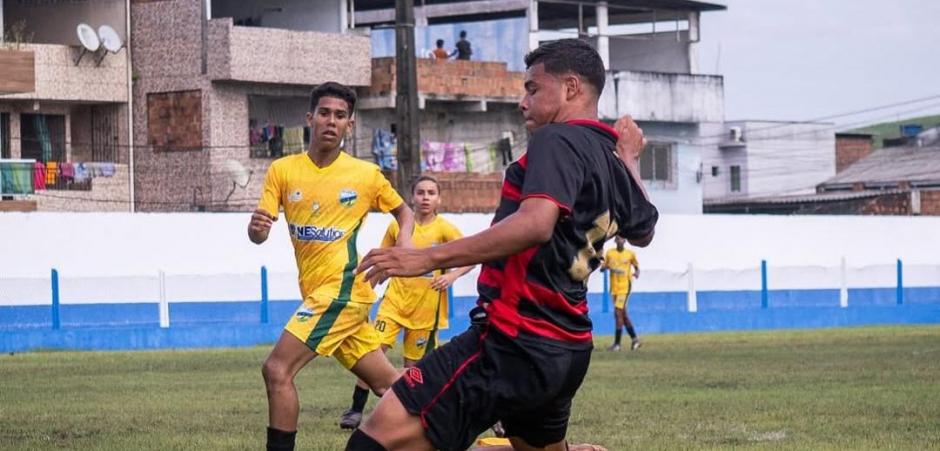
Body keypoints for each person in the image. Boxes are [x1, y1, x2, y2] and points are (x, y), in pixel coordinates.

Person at [345, 39, 658, 451]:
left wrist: (426, 258)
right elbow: (644, 229)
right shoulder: (610, 156)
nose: (523, 102)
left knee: (374, 441)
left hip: (511, 340)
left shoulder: (556, 139)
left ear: (570, 87)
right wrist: (631, 161)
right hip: (568, 350)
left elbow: (535, 225)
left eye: (533, 89)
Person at [248, 81, 415, 451]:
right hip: (321, 294)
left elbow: (405, 212)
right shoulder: (282, 170)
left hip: (342, 291)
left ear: (349, 125)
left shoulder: (366, 175)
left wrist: (404, 243)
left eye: (340, 116)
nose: (331, 121)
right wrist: (255, 229)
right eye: (324, 113)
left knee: (277, 369)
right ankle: (462, 397)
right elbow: (259, 233)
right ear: (310, 118)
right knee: (388, 383)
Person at [340, 175, 475, 429]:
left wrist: (451, 276)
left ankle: (406, 415)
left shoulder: (444, 229)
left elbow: (470, 255)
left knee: (413, 367)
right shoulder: (398, 227)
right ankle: (355, 410)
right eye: (420, 192)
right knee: (372, 352)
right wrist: (369, 286)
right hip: (394, 303)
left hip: (425, 310)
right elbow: (383, 258)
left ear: (439, 199)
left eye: (431, 193)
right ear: (411, 197)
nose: (425, 197)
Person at [601, 236, 641, 351]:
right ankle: (635, 340)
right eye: (618, 239)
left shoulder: (630, 254)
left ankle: (617, 344)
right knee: (622, 315)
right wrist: (606, 267)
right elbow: (602, 268)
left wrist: (637, 273)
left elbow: (637, 267)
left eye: (622, 239)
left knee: (618, 313)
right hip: (614, 288)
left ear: (625, 241)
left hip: (625, 287)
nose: (620, 241)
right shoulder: (610, 253)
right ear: (615, 241)